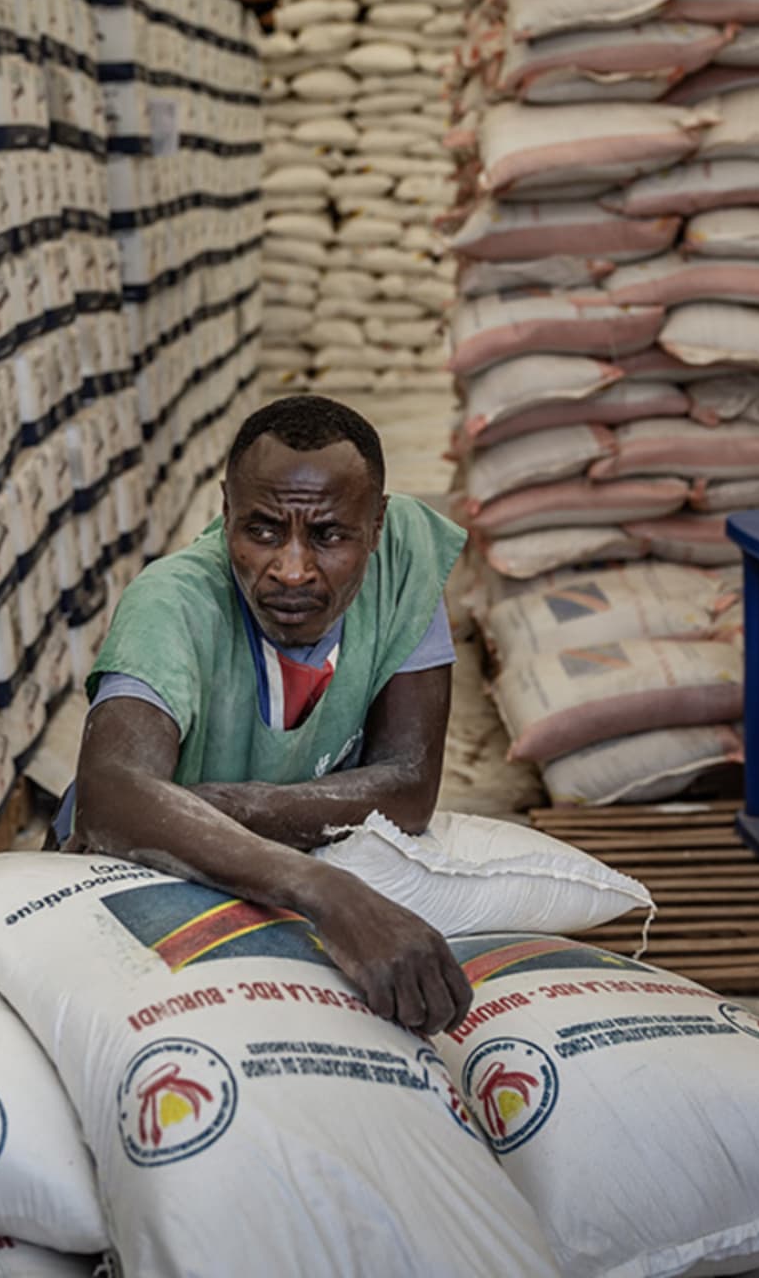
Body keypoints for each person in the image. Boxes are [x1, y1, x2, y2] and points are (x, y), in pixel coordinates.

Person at [55, 395, 474, 1034]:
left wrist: (217, 806)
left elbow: (409, 784)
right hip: (133, 884)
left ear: (378, 524)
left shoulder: (404, 565)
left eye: (330, 535)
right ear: (225, 512)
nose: (292, 569)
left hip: (221, 852)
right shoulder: (172, 603)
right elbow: (111, 798)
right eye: (262, 531)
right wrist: (326, 893)